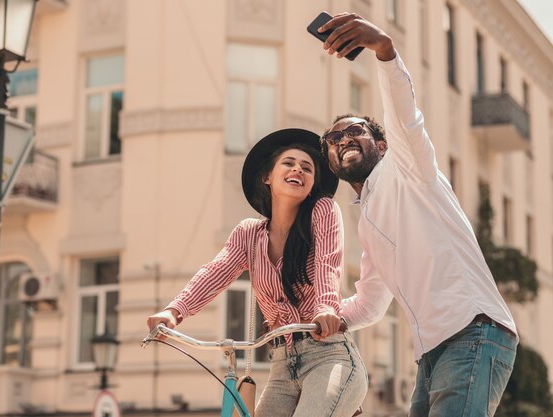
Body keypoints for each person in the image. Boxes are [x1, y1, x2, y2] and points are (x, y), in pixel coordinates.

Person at [317, 13, 519, 417]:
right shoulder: (368, 219)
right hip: (432, 353)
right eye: (334, 139)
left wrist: (384, 50)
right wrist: (324, 318)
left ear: (383, 144)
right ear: (333, 164)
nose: (343, 140)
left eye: (354, 130)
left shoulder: (407, 167)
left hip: (473, 330)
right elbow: (372, 304)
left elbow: (405, 115)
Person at [147, 128, 367, 417]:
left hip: (329, 356)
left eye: (307, 168)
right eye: (288, 163)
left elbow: (329, 263)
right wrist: (174, 312)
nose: (298, 170)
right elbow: (216, 270)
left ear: (312, 185)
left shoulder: (323, 211)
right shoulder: (248, 234)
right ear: (268, 177)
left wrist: (326, 307)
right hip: (281, 365)